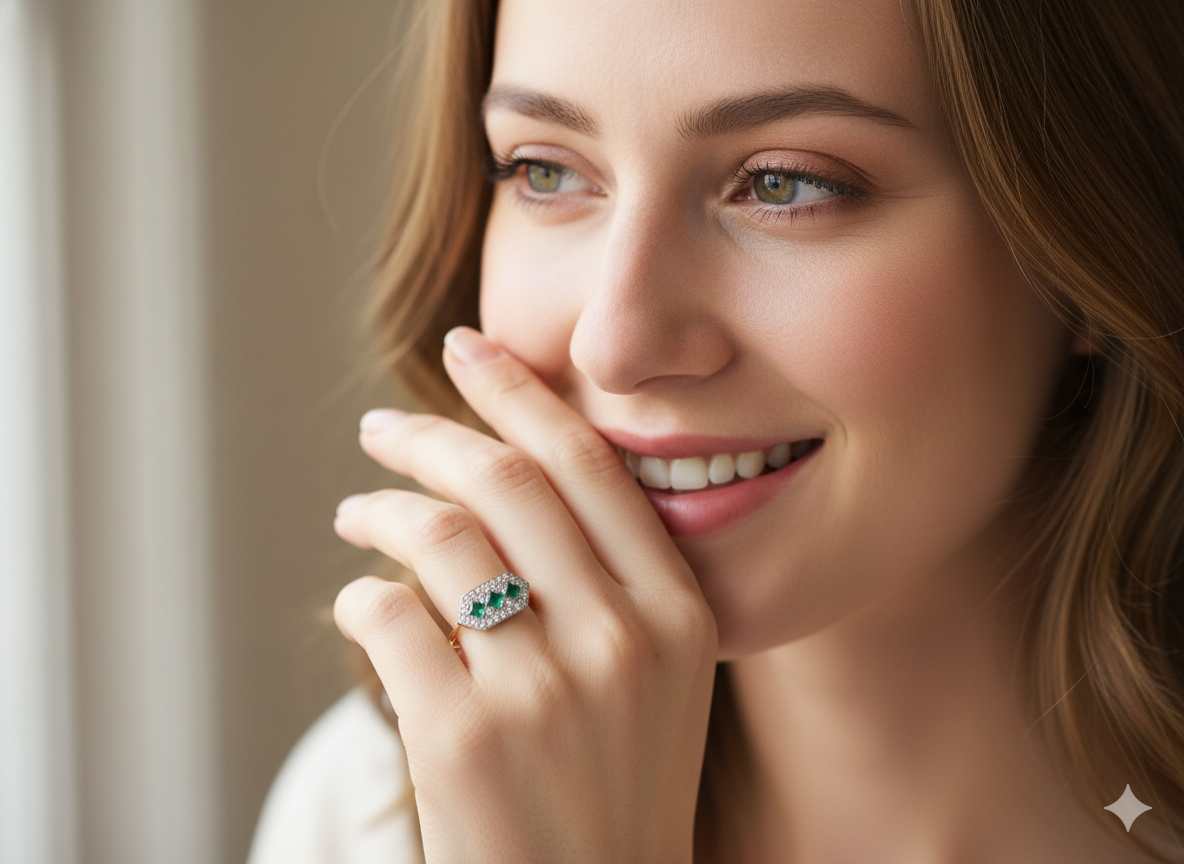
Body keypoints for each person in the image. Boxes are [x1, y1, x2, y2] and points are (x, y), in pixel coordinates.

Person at [248, 0, 1184, 860]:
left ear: (1089, 241)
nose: (614, 344)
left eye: (783, 184)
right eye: (545, 170)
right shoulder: (370, 807)